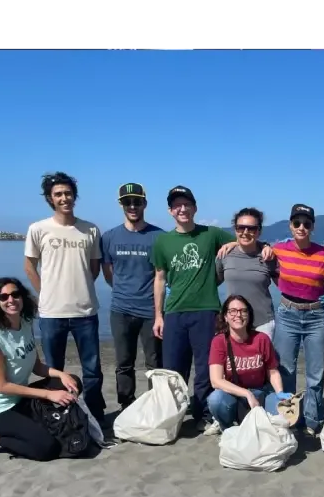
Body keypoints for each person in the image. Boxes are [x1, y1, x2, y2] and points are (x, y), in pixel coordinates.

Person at [0, 278, 79, 462]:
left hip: (19, 400)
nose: (11, 300)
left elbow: (37, 367)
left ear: (22, 297)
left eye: (15, 294)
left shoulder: (25, 324)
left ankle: (46, 423)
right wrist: (49, 395)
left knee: (72, 382)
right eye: (4, 297)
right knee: (47, 448)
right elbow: (2, 386)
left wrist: (61, 374)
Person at [23, 171, 105, 420]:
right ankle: (57, 415)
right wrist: (46, 292)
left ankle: (95, 414)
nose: (64, 198)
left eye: (68, 193)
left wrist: (80, 286)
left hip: (85, 312)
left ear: (74, 196)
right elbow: (29, 267)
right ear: (50, 198)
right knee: (54, 369)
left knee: (92, 369)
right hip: (51, 313)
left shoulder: (90, 229)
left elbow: (94, 268)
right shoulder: (38, 229)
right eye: (58, 194)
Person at [150, 185, 235, 428]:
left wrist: (230, 245)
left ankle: (203, 414)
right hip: (174, 311)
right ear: (170, 211)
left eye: (187, 204)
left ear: (195, 208)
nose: (182, 209)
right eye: (177, 205)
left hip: (206, 310)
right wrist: (158, 316)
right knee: (173, 368)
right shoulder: (163, 241)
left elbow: (242, 240)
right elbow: (159, 279)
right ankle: (173, 416)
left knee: (205, 367)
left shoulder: (211, 234)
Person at [270, 203, 324, 435]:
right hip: (287, 313)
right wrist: (230, 244)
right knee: (286, 370)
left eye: (306, 224)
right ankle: (290, 419)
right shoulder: (278, 250)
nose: (301, 227)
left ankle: (312, 421)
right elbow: (254, 251)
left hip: (316, 316)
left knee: (315, 374)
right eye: (297, 223)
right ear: (290, 225)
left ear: (312, 227)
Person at [100, 182, 163, 411]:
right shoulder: (109, 237)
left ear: (145, 203)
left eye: (137, 201)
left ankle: (155, 405)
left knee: (154, 364)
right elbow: (108, 273)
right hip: (121, 310)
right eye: (128, 202)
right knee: (124, 363)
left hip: (150, 310)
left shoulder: (159, 237)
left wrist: (159, 313)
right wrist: (123, 290)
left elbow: (161, 275)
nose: (133, 206)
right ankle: (126, 405)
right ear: (121, 205)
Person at [204, 295, 286, 434]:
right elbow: (216, 381)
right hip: (233, 395)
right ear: (225, 317)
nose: (238, 315)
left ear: (249, 315)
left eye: (243, 311)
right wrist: (247, 394)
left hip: (261, 392)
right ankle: (227, 428)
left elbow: (272, 371)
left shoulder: (261, 339)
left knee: (282, 411)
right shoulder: (219, 341)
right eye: (233, 311)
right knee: (215, 399)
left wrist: (280, 393)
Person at [214, 208, 278, 340]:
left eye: (251, 228)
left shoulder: (268, 256)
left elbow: (283, 285)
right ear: (235, 230)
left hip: (263, 323)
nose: (245, 232)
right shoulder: (224, 255)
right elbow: (212, 284)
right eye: (241, 228)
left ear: (259, 231)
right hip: (233, 322)